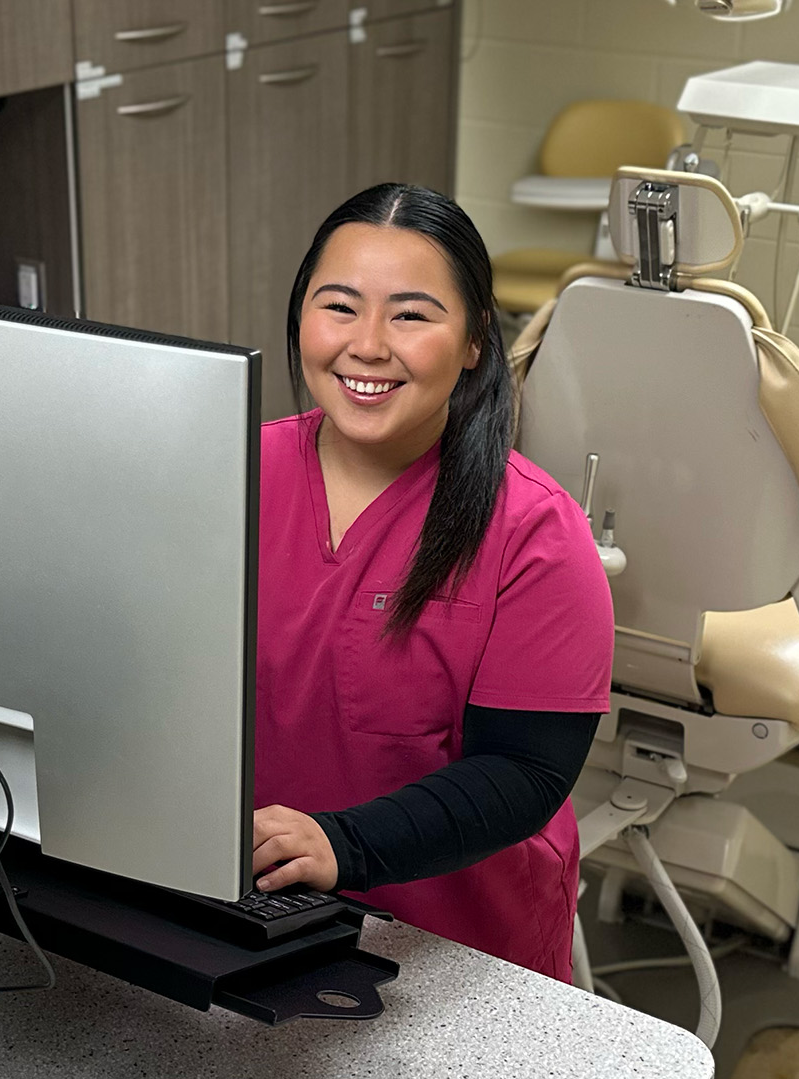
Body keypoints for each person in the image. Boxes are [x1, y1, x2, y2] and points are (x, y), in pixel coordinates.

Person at [250, 184, 613, 981]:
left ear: (476, 342)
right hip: (256, 913)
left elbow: (526, 772)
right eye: (338, 306)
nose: (368, 345)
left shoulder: (534, 532)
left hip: (455, 951)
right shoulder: (231, 472)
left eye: (411, 315)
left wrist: (342, 845)